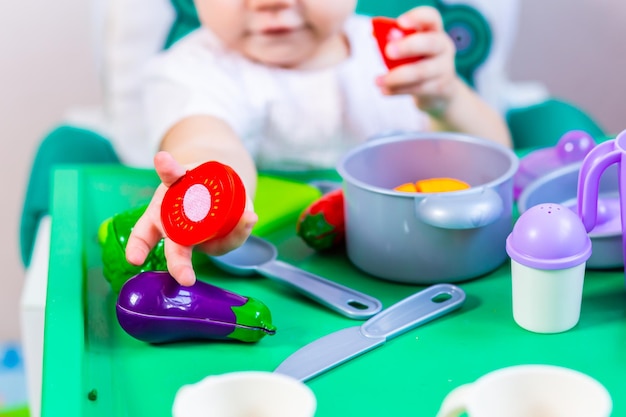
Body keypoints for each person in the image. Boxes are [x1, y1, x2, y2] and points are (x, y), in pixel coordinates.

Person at [125, 0, 512, 287]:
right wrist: (204, 193)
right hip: (280, 274)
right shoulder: (189, 70)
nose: (270, 3)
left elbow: (495, 160)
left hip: (417, 260)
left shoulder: (392, 49)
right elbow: (208, 141)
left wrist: (445, 97)